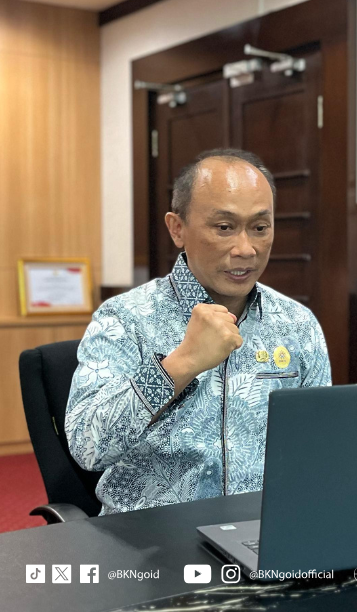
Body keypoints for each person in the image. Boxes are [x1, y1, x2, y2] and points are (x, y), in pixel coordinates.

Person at [65, 148, 330, 515]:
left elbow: (320, 446)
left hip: (264, 528)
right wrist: (181, 364)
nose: (245, 249)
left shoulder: (297, 324)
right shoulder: (126, 318)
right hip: (150, 534)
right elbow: (88, 446)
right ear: (177, 229)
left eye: (259, 228)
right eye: (224, 227)